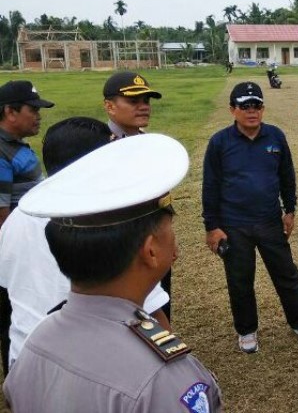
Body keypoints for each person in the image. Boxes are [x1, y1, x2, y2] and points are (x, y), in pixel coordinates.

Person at [3, 134, 222, 412]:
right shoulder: (164, 380)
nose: (176, 245)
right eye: (170, 230)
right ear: (150, 250)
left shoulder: (35, 342)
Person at [0, 117, 170, 370]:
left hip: (27, 359)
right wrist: (176, 364)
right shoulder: (110, 221)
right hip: (97, 364)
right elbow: (150, 309)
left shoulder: (18, 217)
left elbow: (8, 291)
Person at [202, 81, 298, 354]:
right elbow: (210, 187)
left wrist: (289, 210)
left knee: (287, 275)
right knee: (240, 280)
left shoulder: (275, 137)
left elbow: (286, 176)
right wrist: (212, 227)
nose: (251, 111)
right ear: (233, 110)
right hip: (234, 225)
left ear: (263, 109)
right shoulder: (220, 142)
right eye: (245, 106)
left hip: (269, 221)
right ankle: (246, 330)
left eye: (256, 105)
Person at [102, 71, 175, 321]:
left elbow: (163, 199)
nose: (144, 107)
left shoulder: (151, 145)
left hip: (154, 240)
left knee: (160, 304)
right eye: (134, 101)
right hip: (118, 245)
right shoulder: (98, 147)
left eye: (147, 100)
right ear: (109, 106)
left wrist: (167, 239)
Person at [0, 80, 54, 376]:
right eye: (32, 109)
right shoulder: (1, 154)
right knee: (15, 320)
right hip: (17, 254)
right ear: (10, 111)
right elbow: (2, 218)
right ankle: (18, 380)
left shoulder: (16, 146)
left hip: (31, 247)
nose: (38, 115)